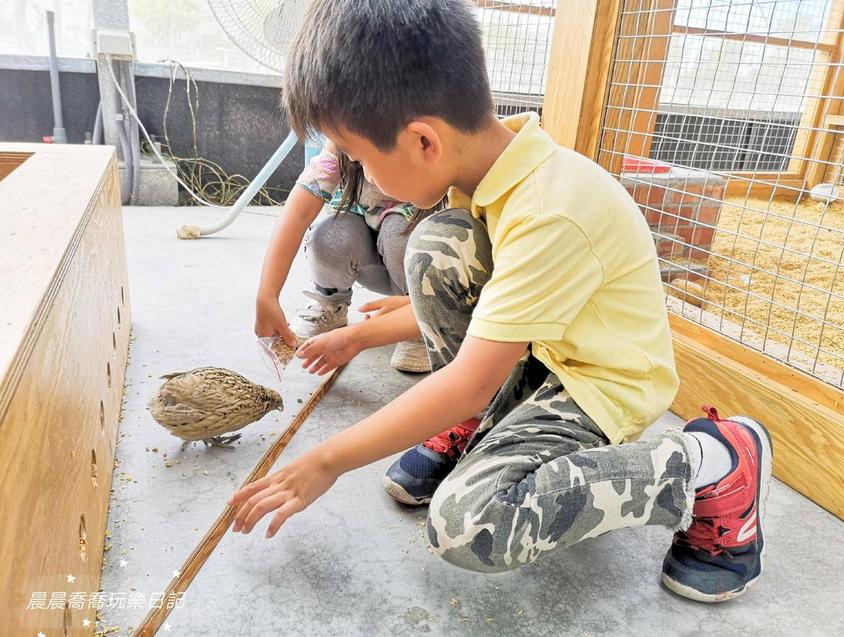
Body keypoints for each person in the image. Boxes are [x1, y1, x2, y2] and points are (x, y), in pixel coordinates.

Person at [231, 0, 772, 603]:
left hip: (596, 388)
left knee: (471, 524)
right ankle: (480, 428)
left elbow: (468, 375)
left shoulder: (550, 210)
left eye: (359, 156)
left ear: (422, 141)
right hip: (542, 358)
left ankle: (713, 463)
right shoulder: (487, 172)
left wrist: (327, 460)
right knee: (438, 247)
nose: (362, 173)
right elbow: (497, 313)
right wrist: (357, 337)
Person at [254, 138, 431, 372]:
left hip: (420, 271)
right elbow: (298, 210)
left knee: (400, 231)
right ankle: (330, 302)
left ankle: (421, 325)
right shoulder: (342, 144)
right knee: (329, 233)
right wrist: (267, 295)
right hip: (372, 259)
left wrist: (418, 311)